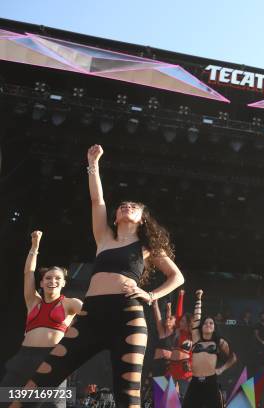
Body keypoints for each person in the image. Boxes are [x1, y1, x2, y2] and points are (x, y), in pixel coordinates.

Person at [24, 145, 185, 408]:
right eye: (122, 206)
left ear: (143, 219)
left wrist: (151, 295)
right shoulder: (104, 237)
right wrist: (93, 163)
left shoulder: (147, 249)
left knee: (128, 397)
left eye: (133, 207)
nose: (125, 207)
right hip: (92, 316)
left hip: (129, 316)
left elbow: (177, 277)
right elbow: (97, 200)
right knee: (39, 380)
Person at [1, 231, 82, 408]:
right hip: (23, 358)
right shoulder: (33, 301)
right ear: (41, 283)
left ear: (63, 283)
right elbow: (28, 273)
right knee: (6, 401)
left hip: (51, 359)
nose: (52, 281)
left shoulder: (71, 303)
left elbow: (93, 314)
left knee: (49, 405)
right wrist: (34, 247)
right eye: (48, 278)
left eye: (57, 278)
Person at [183, 289, 237, 408]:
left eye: (211, 323)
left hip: (211, 382)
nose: (208, 324)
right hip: (195, 382)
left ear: (214, 327)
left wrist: (221, 369)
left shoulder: (219, 341)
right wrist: (199, 299)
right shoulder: (197, 338)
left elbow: (233, 358)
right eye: (206, 323)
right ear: (201, 327)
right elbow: (196, 319)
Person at [150, 289, 184, 378]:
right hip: (158, 365)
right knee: (159, 390)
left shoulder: (176, 333)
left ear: (175, 323)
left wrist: (181, 297)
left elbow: (177, 316)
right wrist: (155, 303)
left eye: (170, 319)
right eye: (168, 318)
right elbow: (158, 317)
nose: (168, 319)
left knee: (169, 390)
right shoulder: (162, 331)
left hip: (170, 366)